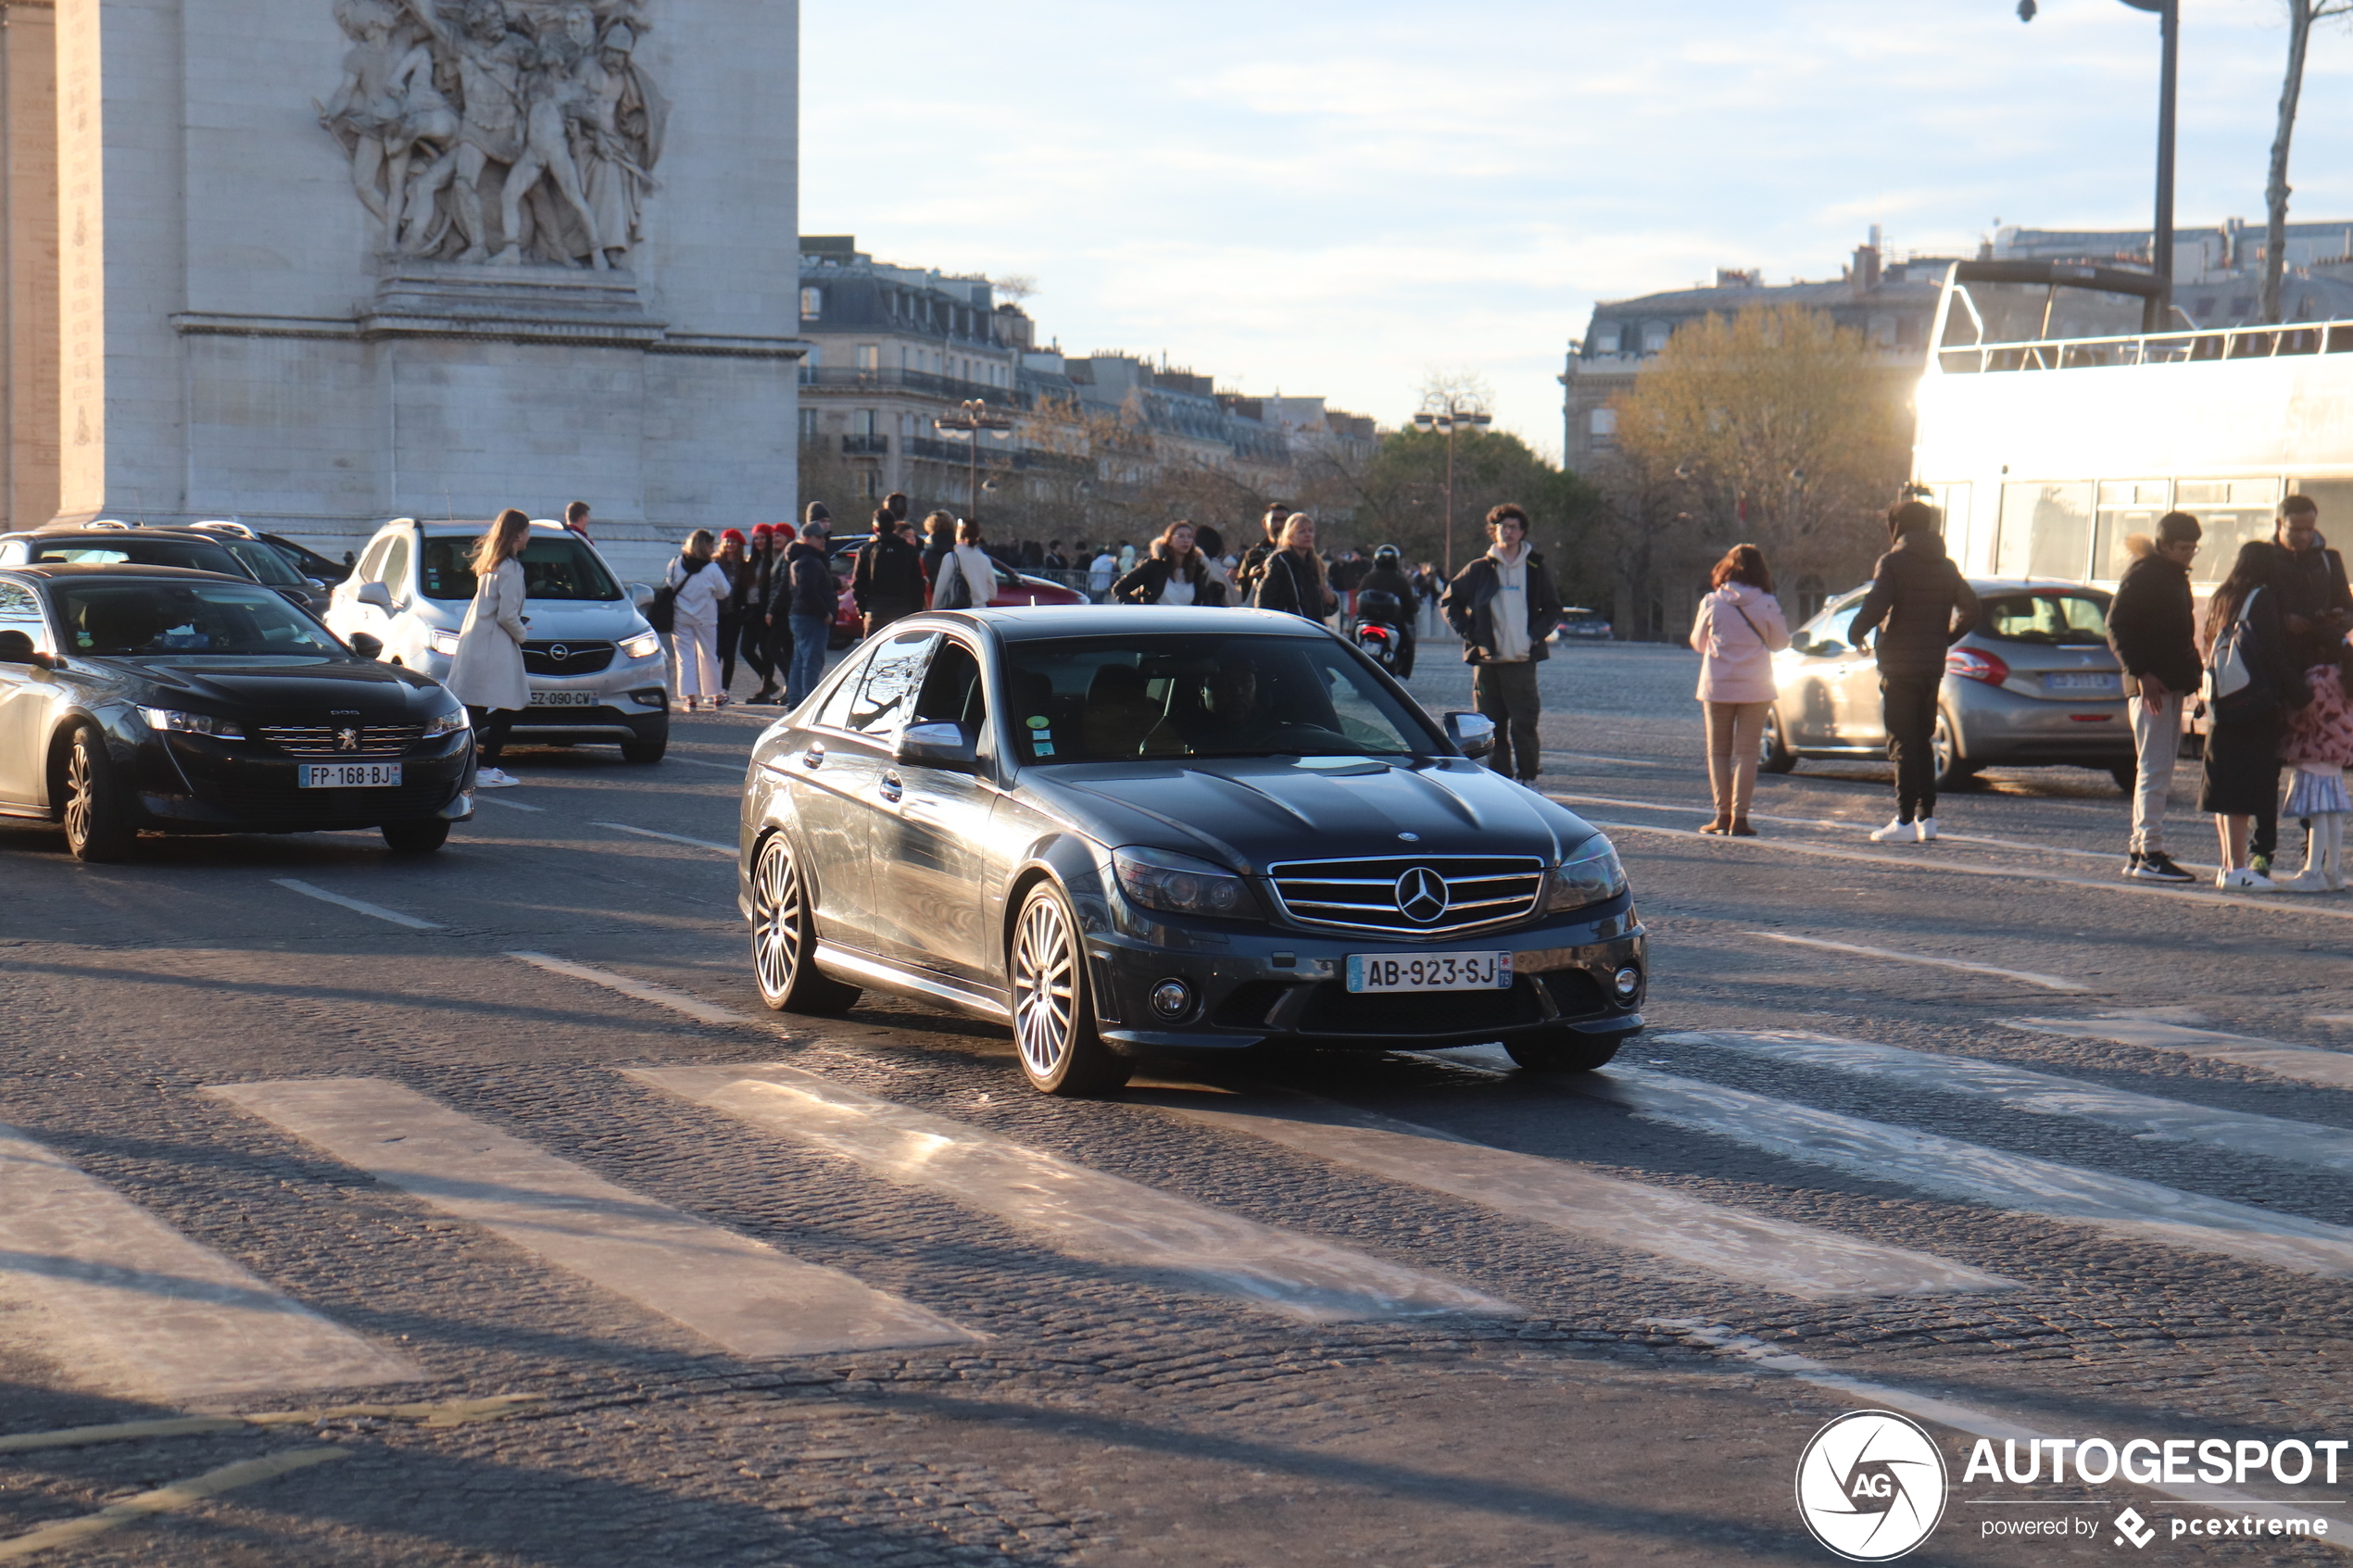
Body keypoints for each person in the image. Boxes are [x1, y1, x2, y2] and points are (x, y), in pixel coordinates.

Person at [1849, 499, 1980, 844]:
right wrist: (1946, 637)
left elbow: (1877, 602)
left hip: (1899, 664)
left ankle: (1904, 820)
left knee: (1902, 740)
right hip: (1931, 665)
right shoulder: (1946, 565)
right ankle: (1928, 817)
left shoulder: (1893, 562)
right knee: (1923, 739)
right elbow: (1972, 609)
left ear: (1898, 526)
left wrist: (1855, 632)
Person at [2251, 495, 2353, 874]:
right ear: (2280, 525)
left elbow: (2347, 609)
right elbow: (2253, 610)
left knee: (2316, 765)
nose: (2305, 536)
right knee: (2267, 767)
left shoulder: (2330, 559)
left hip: (2320, 672)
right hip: (2275, 669)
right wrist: (2284, 620)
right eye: (2296, 529)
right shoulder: (2264, 561)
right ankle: (2262, 851)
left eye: (2310, 528)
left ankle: (2315, 854)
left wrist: (2332, 620)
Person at [2201, 539, 2309, 890]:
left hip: (2222, 703)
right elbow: (2272, 655)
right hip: (2252, 706)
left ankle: (2226, 867)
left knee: (2224, 787)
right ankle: (2237, 871)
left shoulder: (2223, 596)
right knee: (2243, 792)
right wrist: (2300, 695)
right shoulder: (2262, 598)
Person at [2106, 511, 2202, 882]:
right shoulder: (2147, 574)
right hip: (2152, 686)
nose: (2190, 554)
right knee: (2155, 768)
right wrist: (2141, 671)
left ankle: (2140, 849)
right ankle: (2150, 851)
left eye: (2194, 548)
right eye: (2183, 548)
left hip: (2164, 683)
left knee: (2156, 767)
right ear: (2164, 545)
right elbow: (2116, 624)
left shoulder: (2170, 575)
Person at [1442, 504, 1564, 784]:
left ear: (1522, 532)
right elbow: (1449, 602)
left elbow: (1554, 610)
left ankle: (1528, 778)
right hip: (1487, 664)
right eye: (1503, 527)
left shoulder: (1535, 568)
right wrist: (1472, 634)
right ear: (1494, 531)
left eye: (1513, 527)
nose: (1508, 532)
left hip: (1521, 661)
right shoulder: (1478, 569)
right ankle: (1500, 781)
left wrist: (1533, 636)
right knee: (1488, 728)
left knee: (1524, 724)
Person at [1688, 543, 1792, 837]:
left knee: (1718, 752)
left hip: (1717, 685)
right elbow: (1782, 642)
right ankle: (1741, 819)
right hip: (1756, 687)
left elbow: (1698, 643)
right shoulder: (1767, 602)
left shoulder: (1712, 601)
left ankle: (1721, 816)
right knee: (1747, 753)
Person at [444, 508, 532, 788]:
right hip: (496, 645)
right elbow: (507, 615)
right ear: (518, 534)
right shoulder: (512, 569)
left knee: (475, 710)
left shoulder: (490, 564)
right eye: (527, 531)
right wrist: (522, 634)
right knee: (507, 707)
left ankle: (462, 763)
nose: (529, 536)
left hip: (478, 642)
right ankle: (488, 767)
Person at [2275, 648, 2353, 892]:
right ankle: (2333, 871)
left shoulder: (2318, 677)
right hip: (2336, 753)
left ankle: (2313, 871)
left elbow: (2305, 715)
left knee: (2316, 813)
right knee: (2333, 814)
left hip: (2313, 749)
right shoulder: (2346, 677)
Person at [663, 528, 730, 711]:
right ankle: (716, 696)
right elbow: (724, 591)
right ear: (705, 547)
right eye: (710, 546)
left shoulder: (675, 563)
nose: (712, 550)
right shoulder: (711, 568)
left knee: (685, 658)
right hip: (705, 616)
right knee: (709, 656)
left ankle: (690, 698)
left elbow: (670, 584)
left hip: (681, 616)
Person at [784, 514, 835, 706]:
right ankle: (807, 702)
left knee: (799, 661)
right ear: (807, 539)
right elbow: (807, 591)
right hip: (811, 616)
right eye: (819, 537)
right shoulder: (809, 560)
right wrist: (825, 613)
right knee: (812, 662)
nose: (823, 540)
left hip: (799, 614)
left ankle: (795, 701)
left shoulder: (800, 559)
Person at [852, 504, 925, 634]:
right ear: (894, 526)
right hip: (903, 611)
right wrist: (915, 611)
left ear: (875, 528)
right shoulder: (909, 550)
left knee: (874, 653)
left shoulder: (866, 550)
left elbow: (858, 585)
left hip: (875, 611)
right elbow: (917, 585)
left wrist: (863, 610)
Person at [1114, 521, 1226, 606]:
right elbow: (1119, 588)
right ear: (1169, 540)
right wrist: (1140, 610)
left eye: (1190, 537)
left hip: (1186, 628)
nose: (1186, 540)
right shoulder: (1154, 566)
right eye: (1180, 536)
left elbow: (1202, 600)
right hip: (1156, 627)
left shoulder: (1198, 569)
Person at [1254, 512, 1336, 623]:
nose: (1308, 535)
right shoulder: (1281, 561)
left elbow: (1319, 610)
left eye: (1310, 530)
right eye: (1302, 531)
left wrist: (1332, 601)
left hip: (1313, 630)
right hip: (1289, 629)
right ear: (1290, 537)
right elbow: (1264, 600)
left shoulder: (1315, 564)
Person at [740, 523, 785, 703]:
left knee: (767, 651)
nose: (759, 541)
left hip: (764, 610)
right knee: (746, 650)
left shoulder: (773, 561)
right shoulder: (751, 561)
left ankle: (765, 688)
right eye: (756, 538)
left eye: (763, 538)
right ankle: (770, 684)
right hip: (750, 611)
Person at [930, 517, 1001, 609]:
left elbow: (941, 589)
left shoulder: (951, 558)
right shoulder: (985, 559)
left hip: (959, 612)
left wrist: (934, 609)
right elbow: (992, 593)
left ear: (958, 535)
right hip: (981, 611)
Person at [714, 528, 749, 697]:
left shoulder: (744, 564)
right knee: (715, 652)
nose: (729, 544)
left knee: (729, 652)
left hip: (734, 613)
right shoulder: (715, 562)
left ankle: (724, 688)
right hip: (715, 612)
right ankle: (712, 689)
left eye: (733, 541)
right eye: (727, 541)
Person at [1234, 503, 1289, 601]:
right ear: (1264, 523)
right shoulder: (1253, 556)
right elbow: (1239, 593)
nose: (1279, 525)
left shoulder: (1298, 553)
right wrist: (1251, 578)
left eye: (1283, 520)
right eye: (1274, 520)